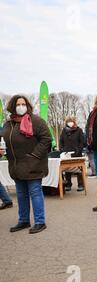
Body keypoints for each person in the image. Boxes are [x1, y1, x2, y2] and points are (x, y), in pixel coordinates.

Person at [3, 95, 52, 234]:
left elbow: (46, 139)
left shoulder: (36, 121)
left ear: (27, 105)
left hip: (33, 164)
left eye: (23, 104)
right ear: (13, 106)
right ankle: (24, 220)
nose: (21, 106)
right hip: (16, 166)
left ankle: (40, 222)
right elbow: (5, 140)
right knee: (21, 194)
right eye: (18, 104)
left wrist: (35, 155)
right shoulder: (8, 124)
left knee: (35, 192)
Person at [59, 116, 85, 192]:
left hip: (77, 153)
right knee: (67, 169)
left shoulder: (79, 130)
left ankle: (80, 184)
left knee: (79, 170)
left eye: (71, 121)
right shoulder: (64, 131)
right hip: (66, 154)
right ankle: (68, 184)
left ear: (74, 121)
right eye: (68, 121)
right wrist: (62, 150)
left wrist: (78, 150)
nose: (70, 122)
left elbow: (82, 142)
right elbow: (61, 141)